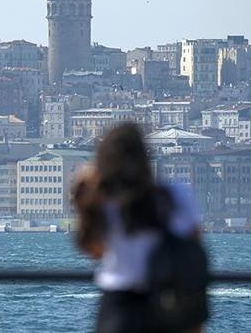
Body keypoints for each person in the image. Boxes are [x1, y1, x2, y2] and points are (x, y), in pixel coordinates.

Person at [73, 123, 208, 333]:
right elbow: (195, 244)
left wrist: (82, 193)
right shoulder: (175, 194)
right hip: (165, 298)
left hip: (119, 303)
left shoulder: (104, 200)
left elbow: (93, 249)